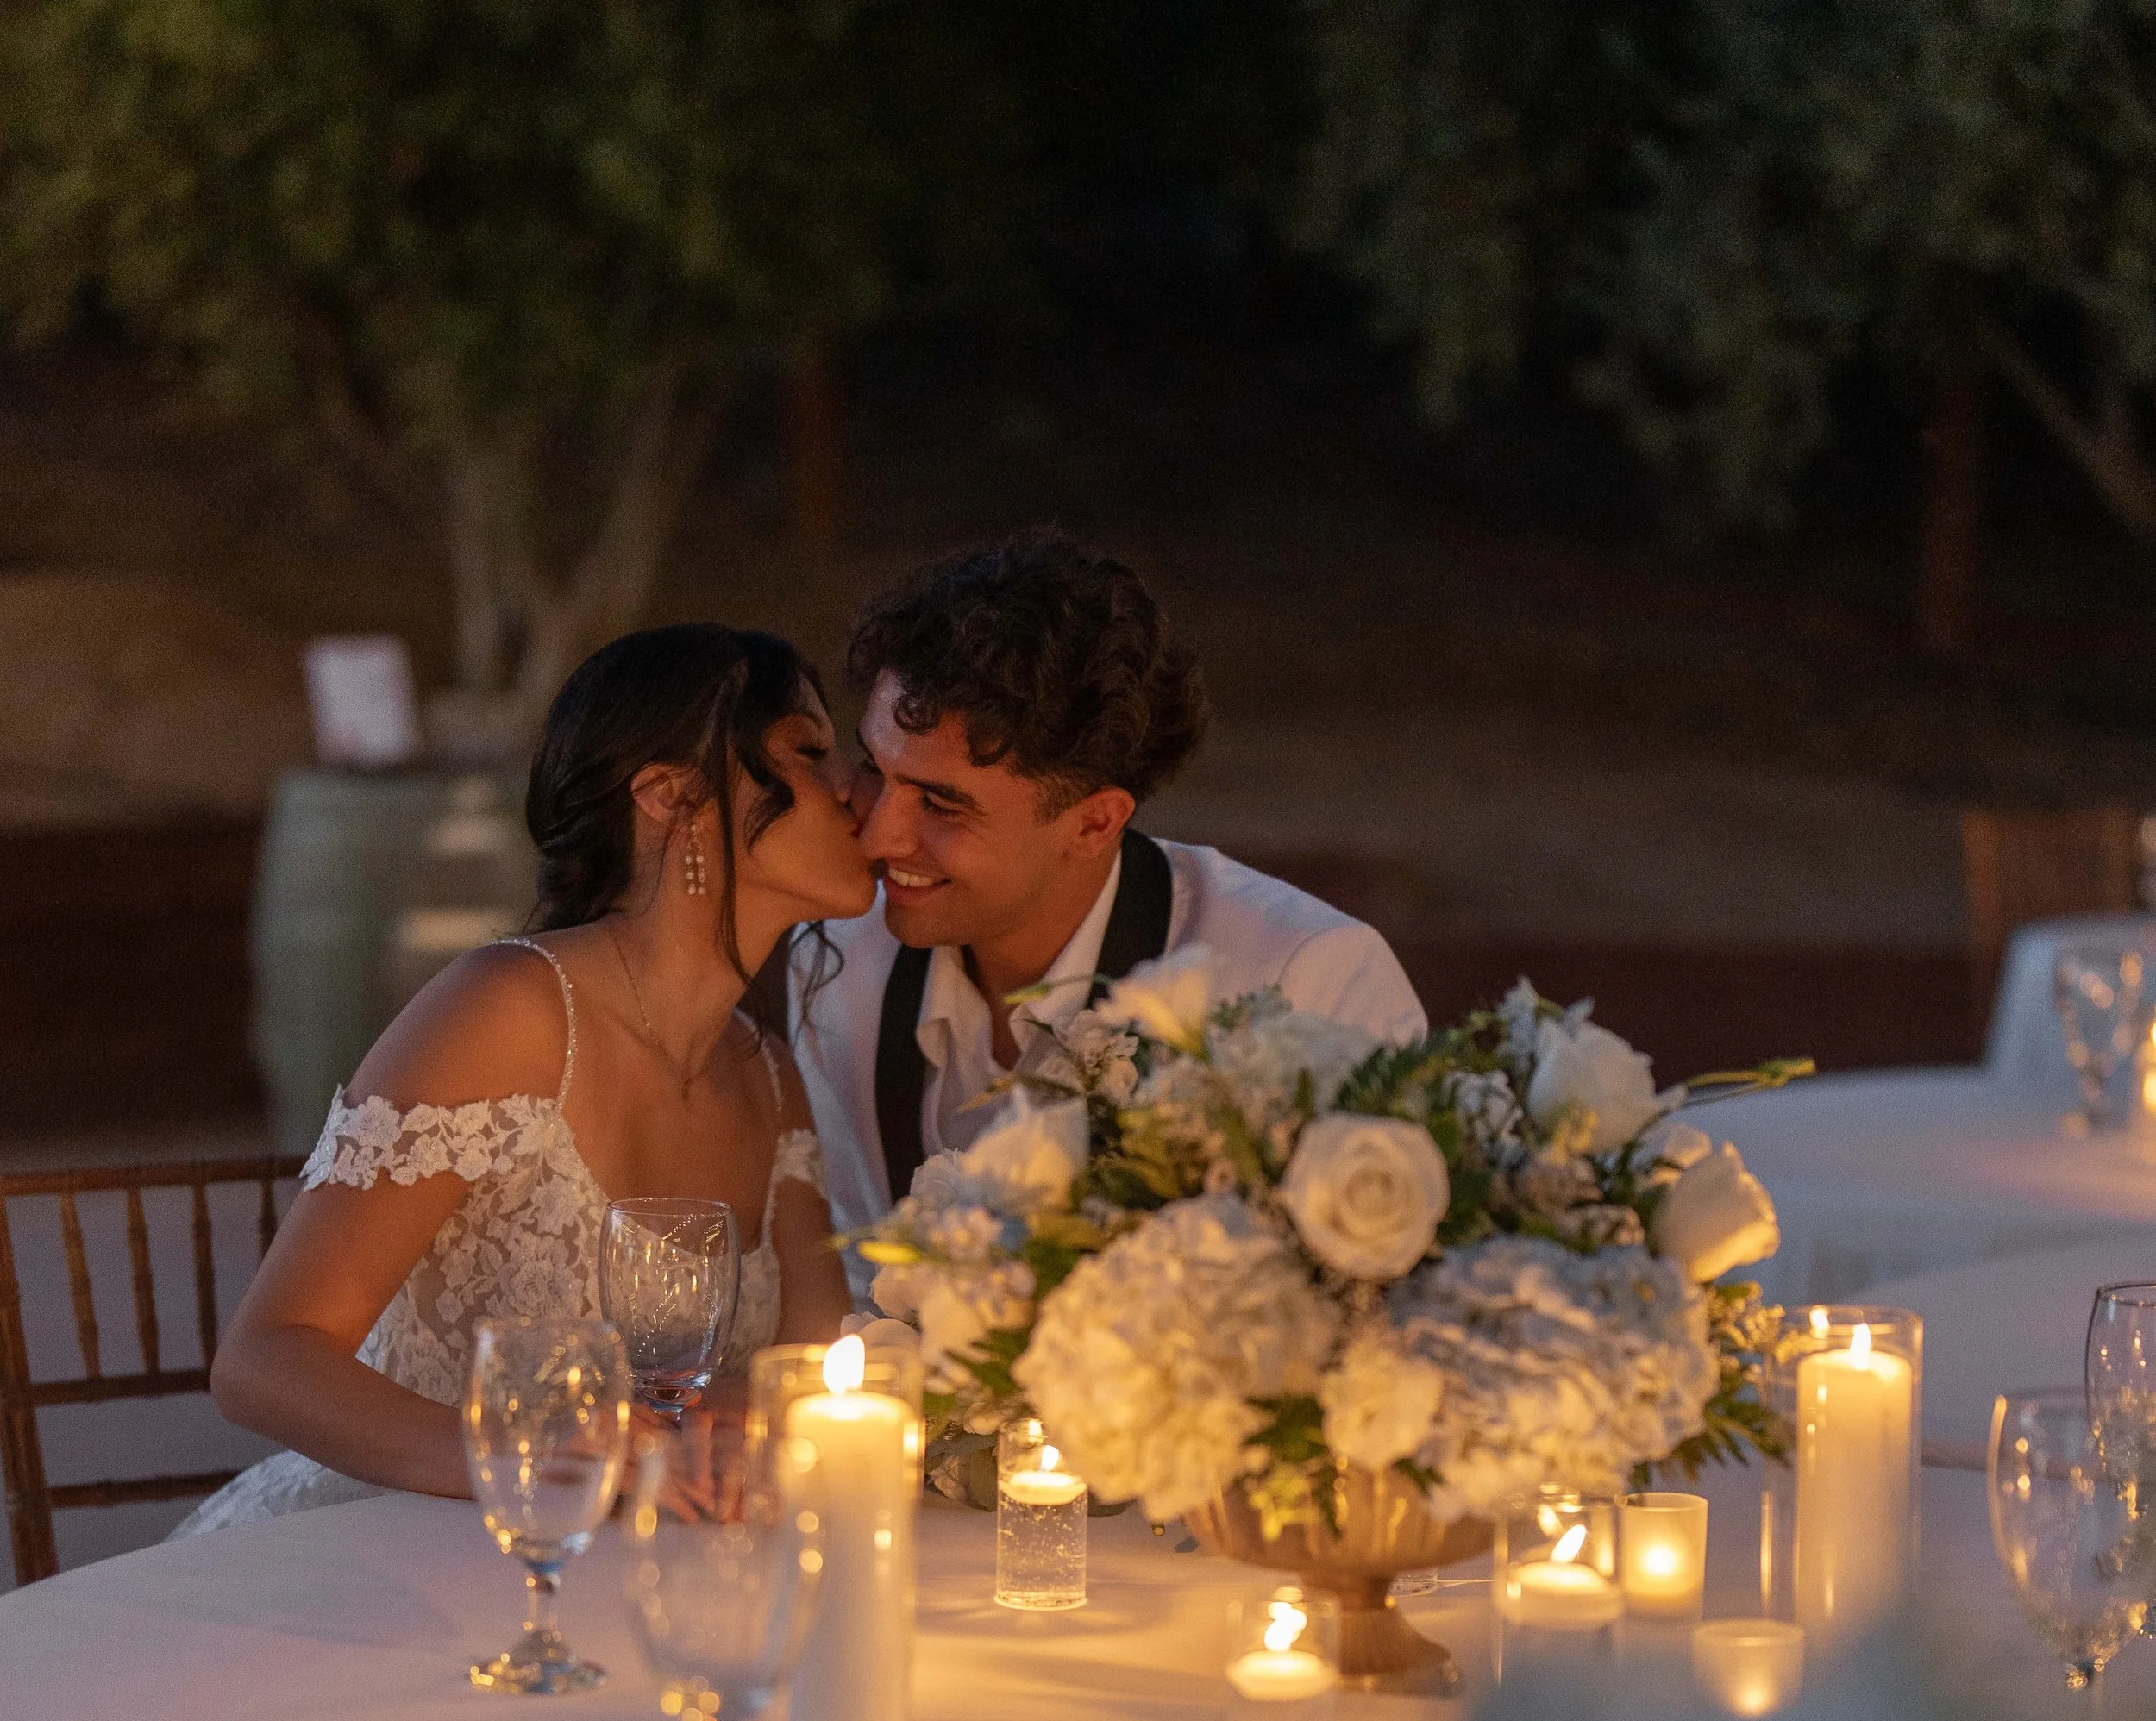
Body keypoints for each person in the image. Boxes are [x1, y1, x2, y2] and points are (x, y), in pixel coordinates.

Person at [190, 625, 868, 1531]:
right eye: (810, 753)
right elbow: (264, 1361)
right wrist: (526, 1461)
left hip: (638, 1561)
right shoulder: (506, 1010)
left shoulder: (770, 1079)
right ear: (674, 797)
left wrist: (744, 1417)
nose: (853, 790)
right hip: (394, 1546)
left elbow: (813, 1377)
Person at [789, 529, 1427, 1274]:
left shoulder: (1302, 982)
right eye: (874, 767)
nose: (877, 835)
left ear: (1095, 822)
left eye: (940, 804)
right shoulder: (836, 956)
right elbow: (857, 1278)